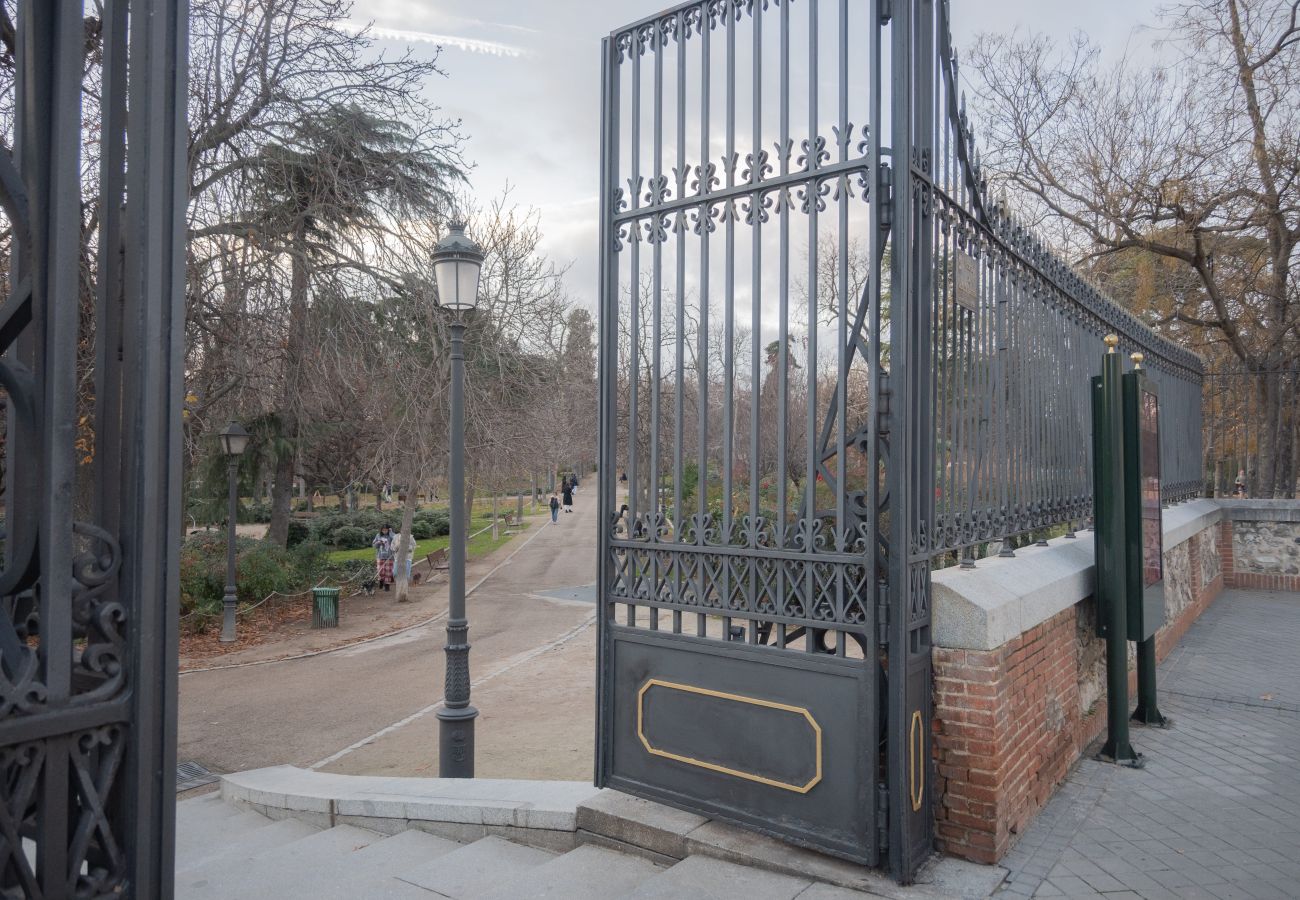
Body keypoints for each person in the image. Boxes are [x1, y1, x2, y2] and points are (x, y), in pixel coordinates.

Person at [372, 524, 396, 591]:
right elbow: (374, 545)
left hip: (390, 556)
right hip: (380, 556)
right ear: (381, 530)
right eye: (383, 530)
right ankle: (381, 581)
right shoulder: (378, 535)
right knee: (380, 571)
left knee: (388, 571)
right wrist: (379, 543)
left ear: (389, 529)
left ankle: (387, 585)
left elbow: (395, 540)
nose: (384, 531)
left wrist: (391, 532)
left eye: (386, 530)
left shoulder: (391, 535)